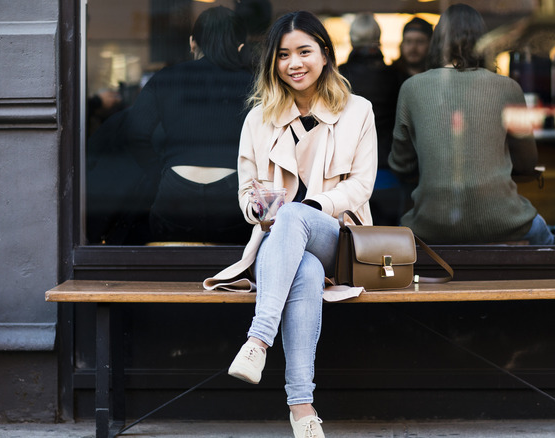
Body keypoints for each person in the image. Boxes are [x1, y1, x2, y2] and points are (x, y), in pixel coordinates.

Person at [203, 11, 377, 438]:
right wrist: (263, 211)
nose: (294, 63)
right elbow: (247, 193)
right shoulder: (259, 118)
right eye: (283, 55)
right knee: (306, 270)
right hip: (281, 249)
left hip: (338, 240)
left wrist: (312, 205)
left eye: (304, 51)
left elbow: (361, 186)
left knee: (301, 216)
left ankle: (257, 341)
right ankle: (302, 408)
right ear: (272, 63)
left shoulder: (358, 111)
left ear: (325, 54)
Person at [389, 4, 554, 245]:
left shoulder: (412, 88)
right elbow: (527, 162)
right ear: (482, 41)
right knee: (546, 240)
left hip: (430, 222)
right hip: (504, 219)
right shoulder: (508, 87)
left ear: (436, 42)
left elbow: (401, 164)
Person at [124, 6, 255, 244]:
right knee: (233, 264)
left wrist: (162, 174)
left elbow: (135, 134)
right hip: (232, 192)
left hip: (175, 189)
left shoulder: (166, 78)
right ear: (240, 47)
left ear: (192, 42)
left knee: (172, 266)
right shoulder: (254, 84)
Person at [338, 13, 402, 225]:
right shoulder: (395, 76)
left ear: (352, 39)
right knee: (386, 239)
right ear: (379, 38)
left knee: (354, 239)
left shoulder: (339, 77)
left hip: (349, 170)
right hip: (388, 169)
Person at [390, 16, 433, 84]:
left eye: (420, 41)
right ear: (402, 45)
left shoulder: (437, 77)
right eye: (408, 41)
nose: (413, 47)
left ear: (430, 45)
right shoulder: (388, 78)